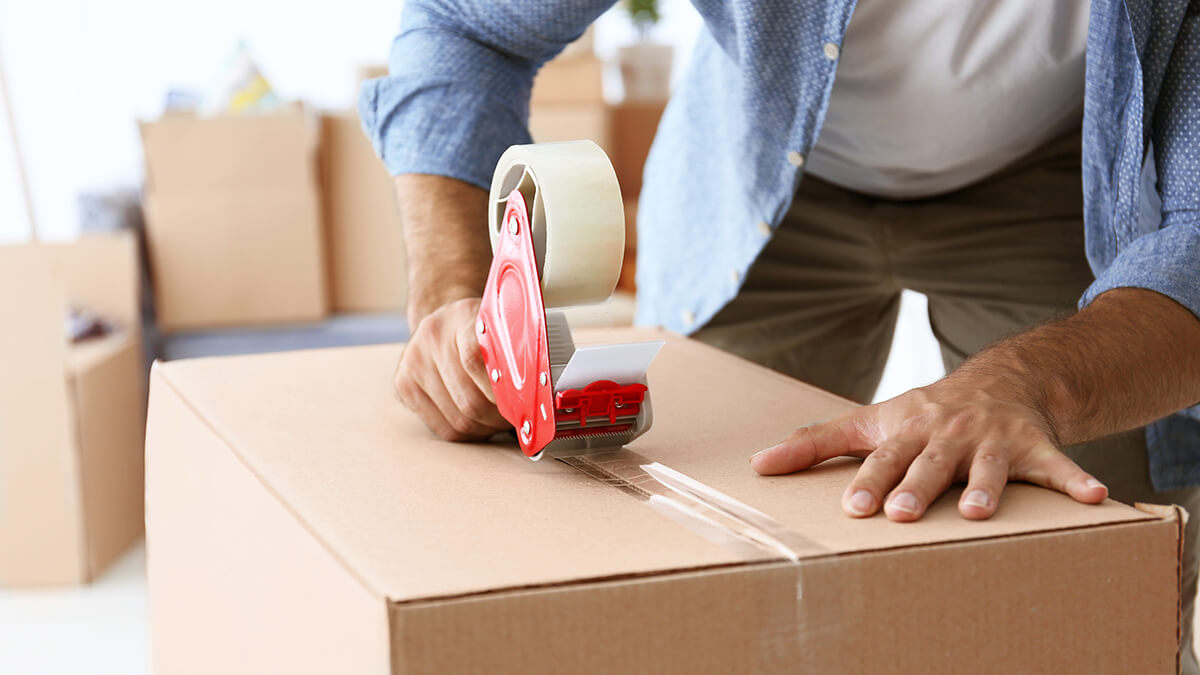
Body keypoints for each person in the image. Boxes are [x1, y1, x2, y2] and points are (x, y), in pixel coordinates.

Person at [360, 1, 1200, 667]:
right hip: (767, 161)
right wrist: (457, 291)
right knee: (685, 541)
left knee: (1097, 577)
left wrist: (1035, 383)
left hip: (1058, 172)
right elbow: (467, 28)